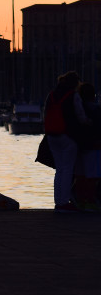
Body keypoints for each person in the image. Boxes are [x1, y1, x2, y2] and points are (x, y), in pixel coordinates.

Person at [44, 71, 90, 212]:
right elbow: (81, 116)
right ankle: (64, 203)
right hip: (68, 136)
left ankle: (58, 201)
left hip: (52, 136)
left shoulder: (51, 95)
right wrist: (90, 123)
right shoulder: (73, 95)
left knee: (59, 170)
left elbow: (45, 113)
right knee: (67, 169)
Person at [72, 82, 101, 210]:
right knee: (92, 176)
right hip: (94, 146)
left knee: (80, 175)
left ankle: (80, 200)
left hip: (78, 147)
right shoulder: (96, 109)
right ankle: (90, 201)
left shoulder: (76, 108)